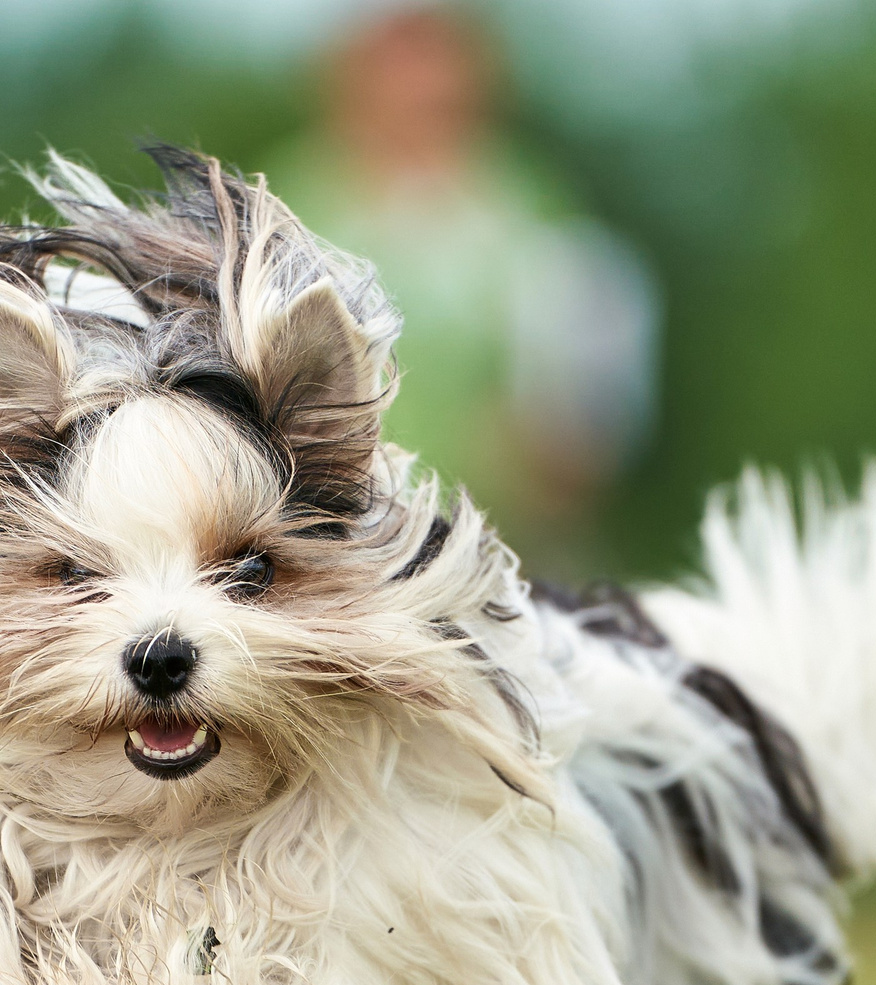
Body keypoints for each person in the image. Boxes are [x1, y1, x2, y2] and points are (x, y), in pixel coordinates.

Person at [273, 6, 658, 577]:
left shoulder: (535, 212)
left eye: (438, 56)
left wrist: (562, 442)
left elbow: (590, 407)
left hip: (503, 557)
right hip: (329, 557)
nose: (420, 85)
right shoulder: (283, 210)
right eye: (397, 59)